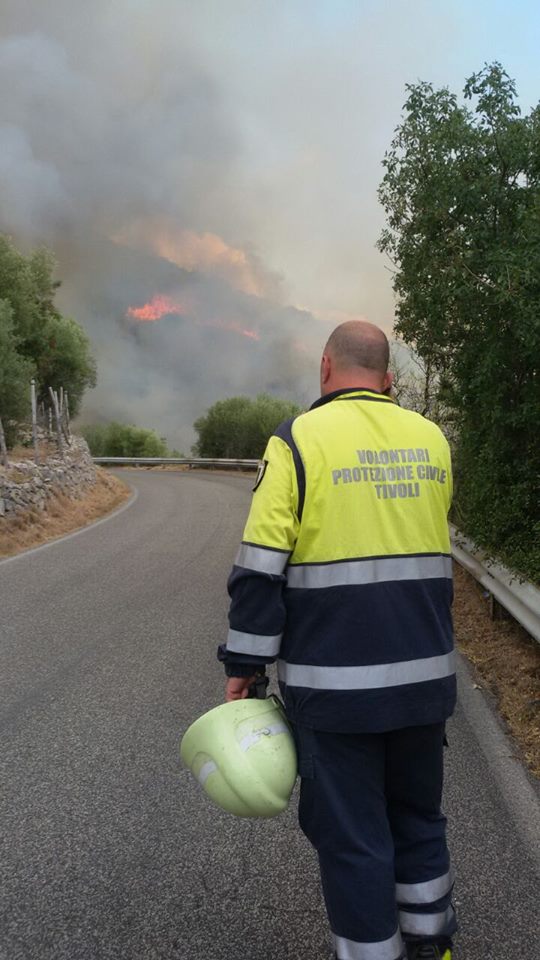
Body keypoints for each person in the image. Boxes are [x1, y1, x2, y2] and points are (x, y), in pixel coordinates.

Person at [218, 320, 457, 960]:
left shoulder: (297, 439)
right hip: (425, 683)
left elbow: (261, 568)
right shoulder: (432, 439)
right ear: (388, 379)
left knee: (354, 838)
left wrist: (245, 666)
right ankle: (433, 946)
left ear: (325, 368)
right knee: (418, 820)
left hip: (337, 691)